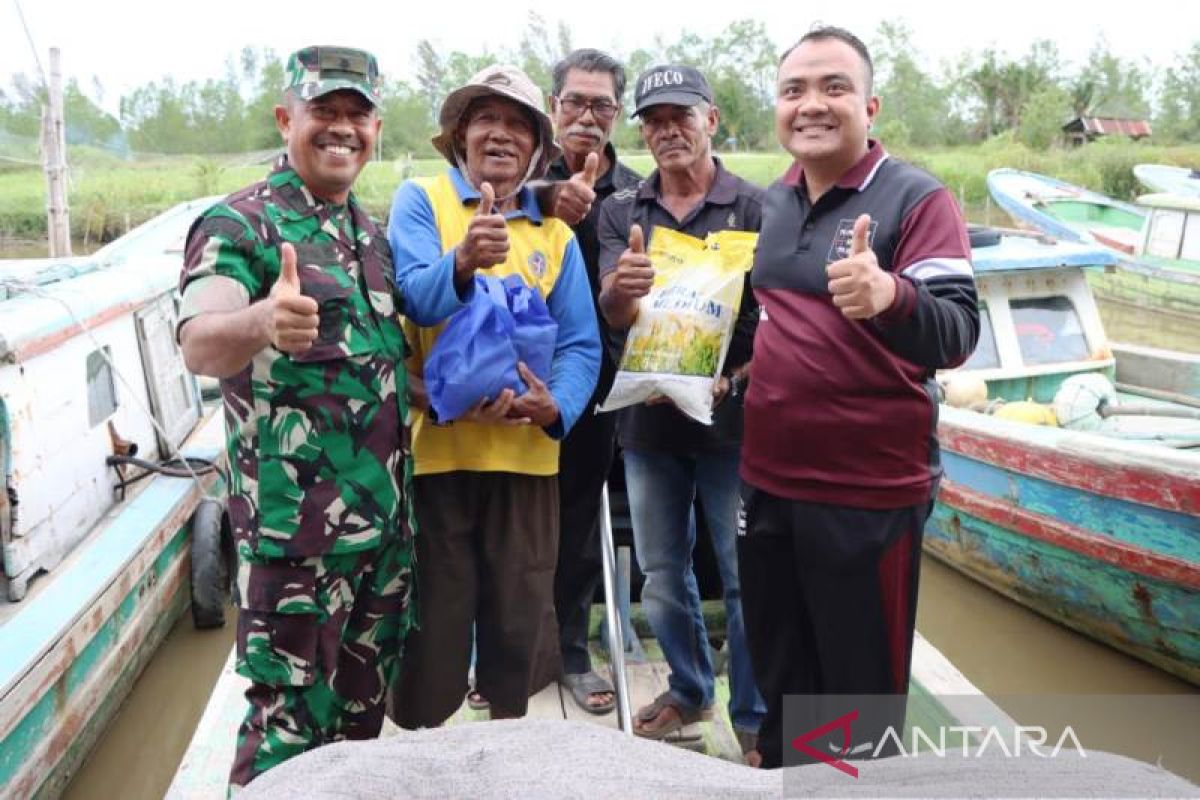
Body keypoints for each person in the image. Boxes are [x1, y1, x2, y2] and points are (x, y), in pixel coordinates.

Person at [737, 26, 980, 769]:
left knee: (857, 704)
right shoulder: (772, 203)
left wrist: (890, 295)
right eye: (793, 90)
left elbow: (959, 331)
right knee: (782, 680)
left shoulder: (916, 198)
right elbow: (769, 321)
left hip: (868, 497)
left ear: (869, 106)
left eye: (833, 87)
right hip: (767, 486)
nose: (811, 104)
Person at [177, 46, 414, 788]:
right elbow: (199, 343)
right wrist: (262, 322)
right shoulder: (239, 225)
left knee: (357, 735)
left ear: (375, 129)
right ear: (288, 119)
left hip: (383, 538)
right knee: (283, 736)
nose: (342, 128)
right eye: (324, 112)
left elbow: (379, 371)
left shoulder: (370, 236)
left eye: (357, 114)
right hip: (298, 548)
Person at [386, 64, 601, 727]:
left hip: (525, 462)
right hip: (440, 462)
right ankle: (427, 750)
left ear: (537, 147)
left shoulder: (554, 232)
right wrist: (460, 262)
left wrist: (556, 404)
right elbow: (410, 296)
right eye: (486, 120)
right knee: (433, 631)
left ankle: (509, 752)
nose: (501, 136)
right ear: (459, 136)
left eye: (517, 125)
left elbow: (580, 345)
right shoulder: (421, 201)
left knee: (519, 626)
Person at [596, 64, 766, 759]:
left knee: (743, 569)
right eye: (653, 120)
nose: (667, 131)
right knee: (664, 573)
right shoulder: (622, 209)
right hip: (648, 424)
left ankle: (754, 713)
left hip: (734, 425)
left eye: (680, 116)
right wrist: (623, 290)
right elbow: (613, 311)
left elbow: (776, 317)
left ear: (711, 120)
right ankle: (691, 688)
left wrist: (737, 376)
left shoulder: (755, 207)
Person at [543, 48, 642, 715]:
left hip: (601, 386)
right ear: (554, 108)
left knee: (579, 519)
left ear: (616, 115)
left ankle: (574, 654)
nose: (586, 116)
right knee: (510, 521)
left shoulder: (637, 192)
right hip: (514, 384)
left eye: (601, 105)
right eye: (574, 102)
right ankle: (507, 650)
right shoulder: (522, 177)